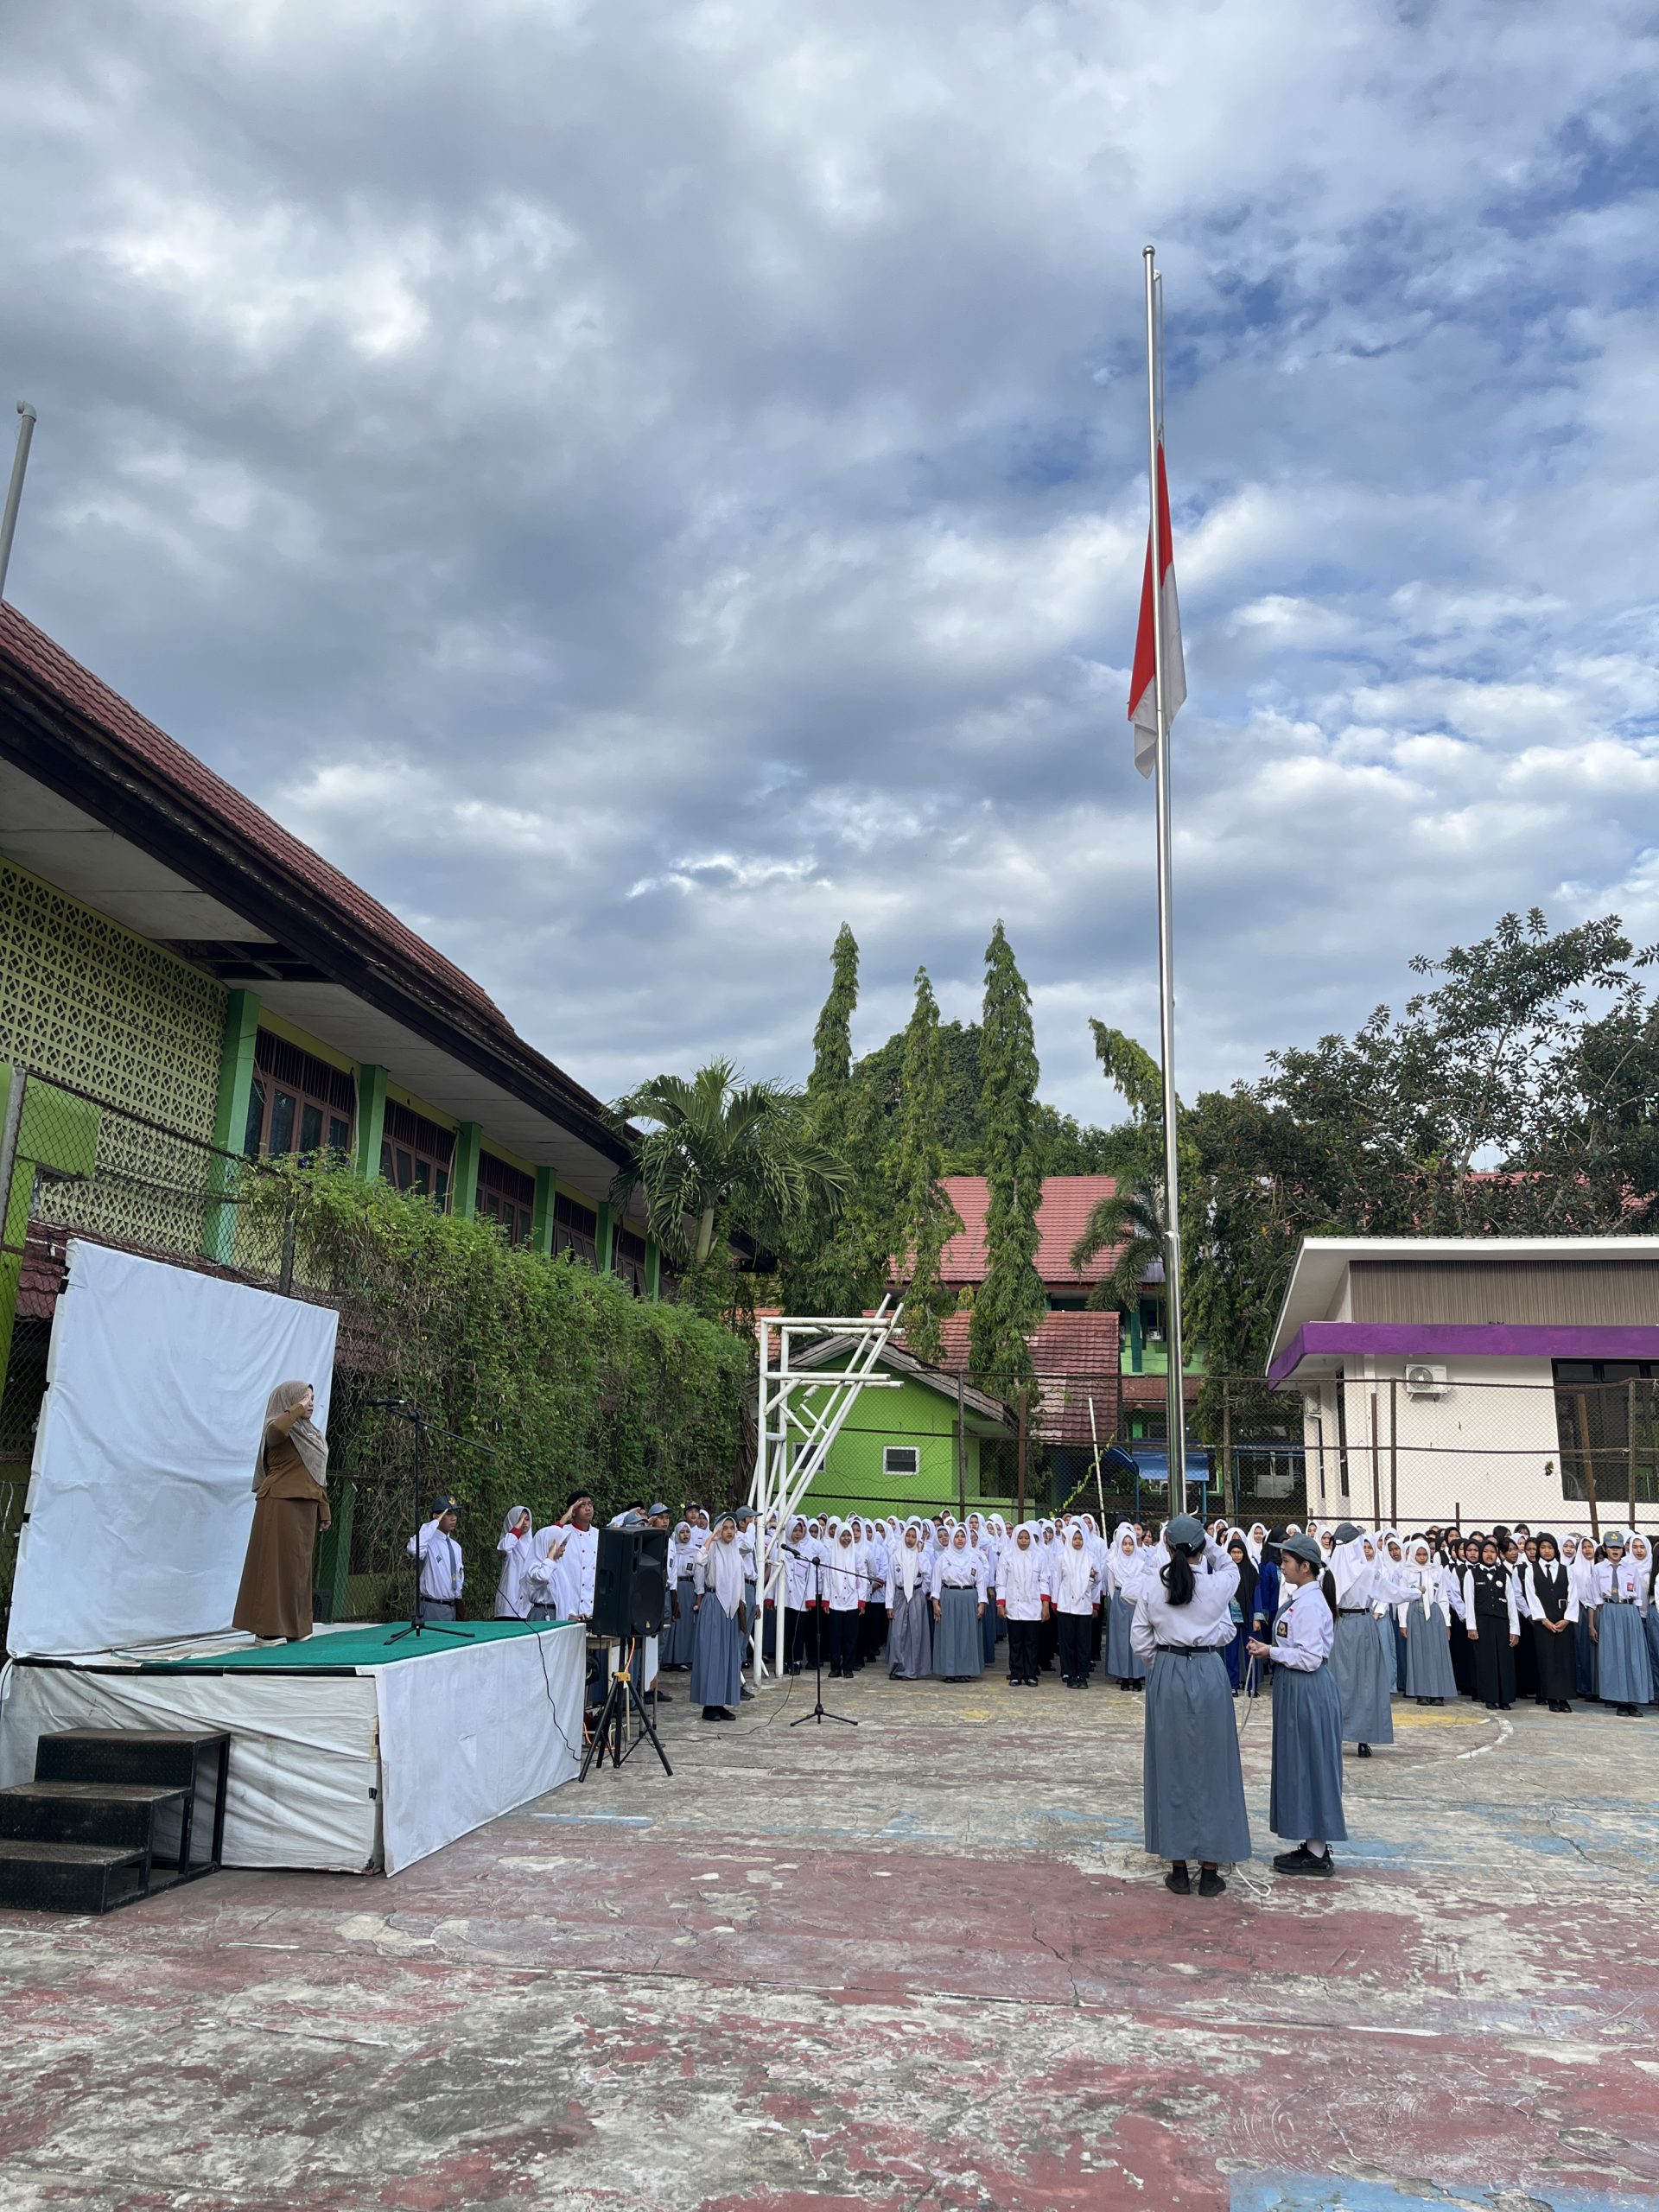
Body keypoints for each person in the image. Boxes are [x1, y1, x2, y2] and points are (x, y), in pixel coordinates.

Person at [1130, 1516, 1250, 1897]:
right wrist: (1211, 1542)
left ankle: (1178, 1867)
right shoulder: (1216, 1585)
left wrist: (1162, 1662)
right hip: (1209, 1669)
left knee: (1171, 1765)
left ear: (1166, 1547)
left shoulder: (1152, 1586)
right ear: (1201, 1548)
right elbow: (1232, 1566)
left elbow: (1139, 1640)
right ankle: (1211, 1870)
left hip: (1167, 1671)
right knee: (1214, 1766)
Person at [1248, 1532, 1345, 1878]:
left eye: (1287, 1561)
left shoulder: (1310, 1604)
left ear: (1306, 1567)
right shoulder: (1301, 1599)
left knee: (1312, 1765)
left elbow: (1310, 1658)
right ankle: (1312, 1843)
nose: (1282, 1566)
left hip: (1308, 1691)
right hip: (1298, 1691)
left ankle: (1318, 1851)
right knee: (1302, 1764)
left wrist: (1269, 1651)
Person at [233, 1379, 331, 1641]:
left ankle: (295, 1628)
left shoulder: (311, 1434)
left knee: (298, 1570)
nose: (310, 1403)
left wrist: (324, 1508)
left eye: (311, 1398)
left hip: (305, 1506)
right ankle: (267, 1630)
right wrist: (297, 1409)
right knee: (274, 1568)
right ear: (290, 1401)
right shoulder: (278, 1426)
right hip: (280, 1502)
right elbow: (276, 1432)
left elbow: (316, 1473)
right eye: (304, 1398)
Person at [1330, 1525, 1395, 1757]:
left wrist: (1414, 1592)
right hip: (1352, 1625)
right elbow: (1391, 1592)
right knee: (1356, 1682)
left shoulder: (1332, 1572)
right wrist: (1416, 1592)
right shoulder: (1331, 1572)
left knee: (1356, 1681)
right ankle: (1349, 1736)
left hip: (1344, 1625)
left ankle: (1360, 1736)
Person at [690, 1512, 747, 1721]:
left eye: (732, 1528)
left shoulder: (735, 1552)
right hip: (714, 1605)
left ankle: (722, 1702)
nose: (729, 1532)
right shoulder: (712, 1549)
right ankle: (709, 1705)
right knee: (712, 1655)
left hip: (730, 1609)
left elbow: (739, 1580)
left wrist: (742, 1606)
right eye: (725, 1528)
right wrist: (709, 1540)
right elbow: (698, 1560)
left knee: (727, 1656)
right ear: (718, 1530)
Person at [1591, 1530, 1652, 1717]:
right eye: (1611, 1547)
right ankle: (1618, 1700)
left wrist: (1638, 1615)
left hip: (1628, 1612)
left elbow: (1639, 1595)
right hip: (1609, 1610)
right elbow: (1595, 1595)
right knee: (1613, 1656)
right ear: (1605, 1548)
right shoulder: (1598, 1569)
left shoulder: (1631, 1568)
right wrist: (1602, 1614)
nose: (1615, 1550)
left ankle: (1633, 1700)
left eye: (1618, 1547)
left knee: (1632, 1656)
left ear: (1623, 1548)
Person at [1460, 1536, 1519, 1710]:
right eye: (1485, 1551)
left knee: (1505, 1661)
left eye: (1492, 1552)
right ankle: (1490, 1698)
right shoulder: (1472, 1574)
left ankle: (1505, 1698)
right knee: (1486, 1661)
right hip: (1482, 1622)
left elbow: (1512, 1603)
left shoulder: (1504, 1576)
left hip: (1501, 1623)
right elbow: (1469, 1602)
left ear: (1497, 1554)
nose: (1489, 1555)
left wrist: (1515, 1629)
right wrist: (1471, 1626)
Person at [1397, 1536, 1457, 1705]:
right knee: (1418, 1653)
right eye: (1419, 1554)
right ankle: (1421, 1692)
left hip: (1435, 1614)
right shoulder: (1407, 1573)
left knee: (1437, 1652)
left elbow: (1443, 1597)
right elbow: (1403, 1598)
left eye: (1425, 1554)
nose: (1422, 1558)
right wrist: (1403, 1623)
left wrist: (1447, 1622)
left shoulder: (1437, 1571)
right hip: (1415, 1613)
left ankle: (1438, 1692)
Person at [1527, 1531, 1578, 1713]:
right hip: (1544, 1622)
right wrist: (1543, 1619)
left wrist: (1567, 1619)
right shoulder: (1530, 1570)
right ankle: (1550, 1697)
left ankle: (1564, 1697)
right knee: (1547, 1658)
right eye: (1543, 1548)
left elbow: (1573, 1594)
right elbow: (1531, 1596)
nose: (1546, 1551)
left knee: (1564, 1658)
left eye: (1549, 1547)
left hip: (1563, 1620)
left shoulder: (1566, 1569)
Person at [931, 1524, 987, 1681]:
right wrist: (936, 1602)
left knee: (967, 1635)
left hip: (969, 1597)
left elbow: (981, 1581)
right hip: (949, 1597)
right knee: (949, 1634)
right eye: (957, 1536)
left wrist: (981, 1602)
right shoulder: (944, 1558)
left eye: (962, 1536)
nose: (960, 1539)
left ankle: (964, 1670)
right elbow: (936, 1582)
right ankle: (949, 1671)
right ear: (952, 1539)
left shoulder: (974, 1558)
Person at [996, 1522, 1048, 1688]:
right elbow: (1001, 1582)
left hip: (1033, 1606)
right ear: (1016, 1538)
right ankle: (1016, 1673)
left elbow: (1044, 1580)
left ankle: (1030, 1674)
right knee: (1016, 1641)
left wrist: (1045, 1605)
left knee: (1032, 1642)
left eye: (1027, 1538)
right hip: (1014, 1605)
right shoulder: (1007, 1555)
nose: (1024, 1541)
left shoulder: (1039, 1555)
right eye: (1021, 1538)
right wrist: (1000, 1604)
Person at [1052, 1522, 1102, 1688]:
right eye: (1075, 1539)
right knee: (1067, 1642)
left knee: (1083, 1642)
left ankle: (1082, 1673)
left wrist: (1093, 1577)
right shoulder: (1061, 1557)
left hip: (1084, 1606)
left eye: (1080, 1539)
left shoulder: (1090, 1557)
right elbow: (1057, 1581)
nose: (1078, 1542)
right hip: (1066, 1605)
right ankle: (1069, 1672)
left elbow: (1097, 1580)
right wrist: (1055, 1602)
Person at [886, 1520, 932, 1680]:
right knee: (898, 1634)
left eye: (914, 1537)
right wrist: (889, 1606)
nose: (910, 1539)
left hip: (916, 1596)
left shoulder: (922, 1555)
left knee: (915, 1633)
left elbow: (928, 1575)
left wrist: (922, 1592)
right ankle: (897, 1667)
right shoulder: (895, 1556)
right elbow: (891, 1582)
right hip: (899, 1597)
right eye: (908, 1536)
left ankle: (912, 1670)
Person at [408, 1496, 464, 1619]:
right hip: (432, 1606)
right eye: (448, 1514)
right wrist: (434, 1523)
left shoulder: (456, 1547)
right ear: (436, 1516)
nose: (454, 1518)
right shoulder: (427, 1542)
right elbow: (413, 1549)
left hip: (452, 1607)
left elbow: (458, 1576)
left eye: (455, 1513)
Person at [661, 1521, 700, 1668]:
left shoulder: (695, 1552)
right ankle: (667, 1659)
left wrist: (698, 1594)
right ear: (677, 1534)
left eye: (687, 1532)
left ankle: (682, 1659)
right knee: (671, 1623)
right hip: (673, 1587)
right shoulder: (671, 1548)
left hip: (688, 1588)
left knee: (685, 1624)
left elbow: (698, 1574)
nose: (685, 1535)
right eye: (682, 1532)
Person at [493, 1506, 536, 1620]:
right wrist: (516, 1528)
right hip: (508, 1605)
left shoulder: (533, 1545)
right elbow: (506, 1547)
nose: (524, 1523)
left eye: (527, 1519)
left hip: (527, 1606)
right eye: (520, 1519)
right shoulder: (507, 1542)